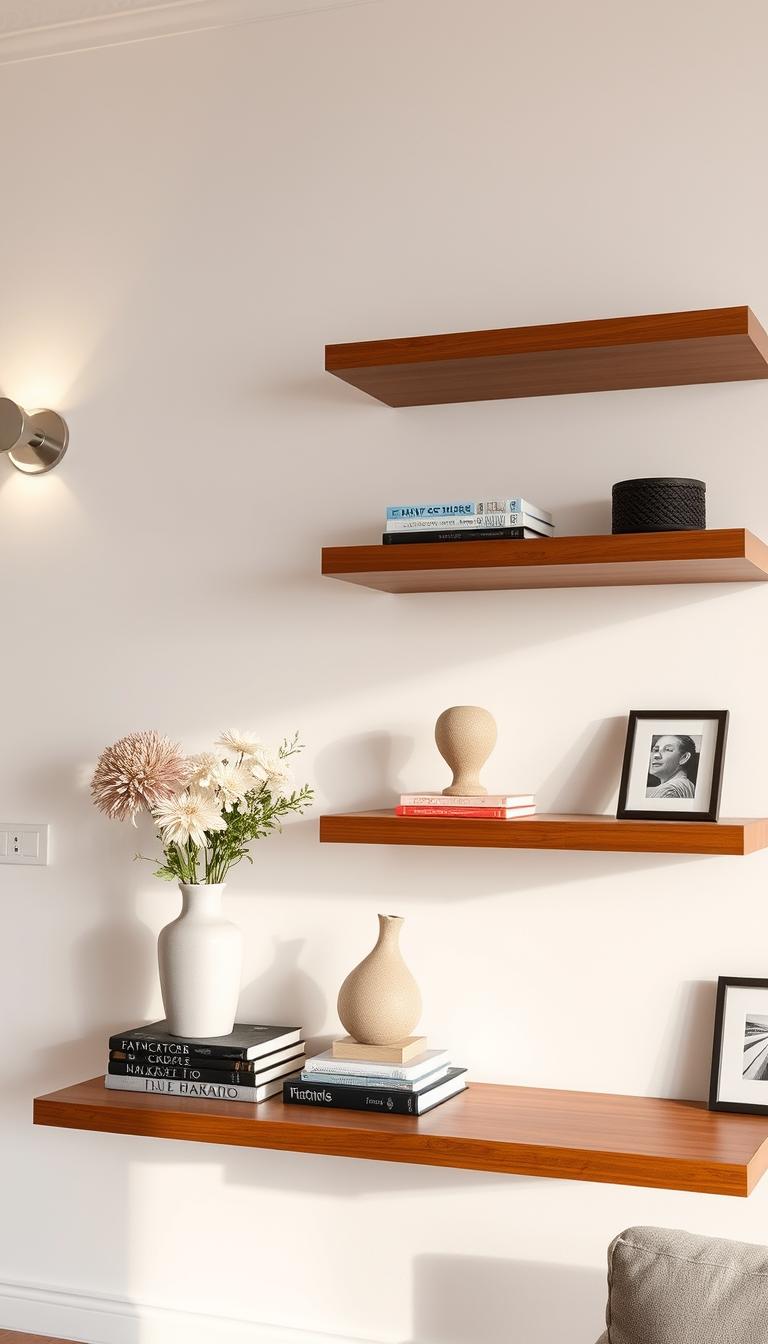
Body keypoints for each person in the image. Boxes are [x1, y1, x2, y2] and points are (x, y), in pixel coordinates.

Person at [646, 734, 698, 799]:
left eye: (668, 749)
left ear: (684, 758)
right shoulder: (688, 786)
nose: (656, 755)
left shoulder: (669, 791)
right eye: (656, 750)